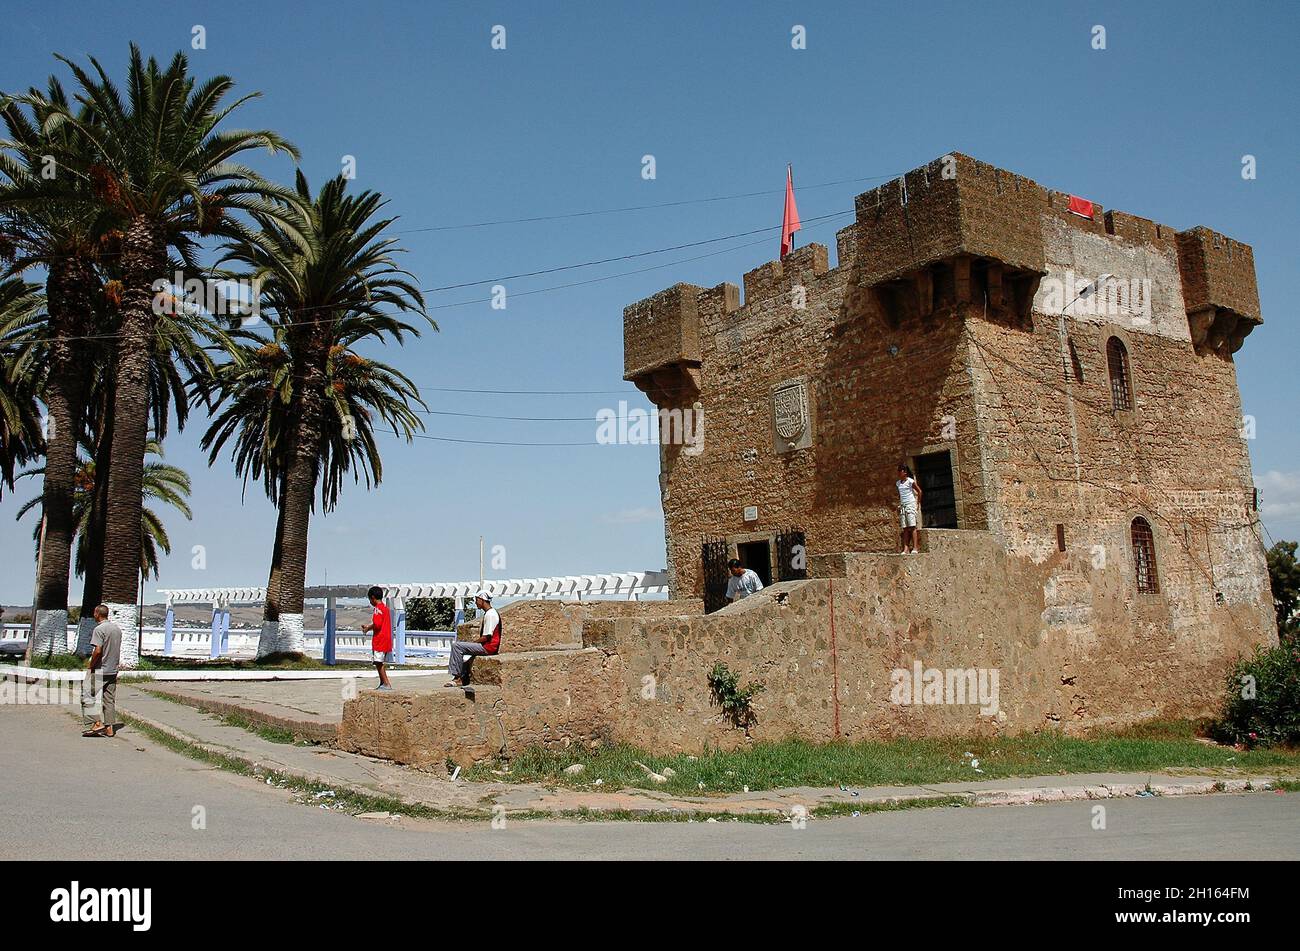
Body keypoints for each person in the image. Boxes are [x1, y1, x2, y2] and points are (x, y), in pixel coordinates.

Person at [81, 605, 122, 738]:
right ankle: (109, 728)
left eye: (94, 612)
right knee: (109, 699)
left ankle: (96, 722)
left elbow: (98, 650)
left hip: (100, 669)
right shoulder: (116, 629)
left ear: (97, 613)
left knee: (87, 695)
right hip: (113, 669)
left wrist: (91, 665)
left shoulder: (99, 629)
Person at [447, 593, 500, 688]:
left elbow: (487, 636)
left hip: (488, 647)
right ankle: (461, 676)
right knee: (463, 652)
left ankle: (457, 677)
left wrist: (473, 644)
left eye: (477, 600)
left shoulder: (491, 614)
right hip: (488, 646)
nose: (476, 603)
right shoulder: (490, 613)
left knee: (457, 646)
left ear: (482, 600)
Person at [360, 586, 393, 690]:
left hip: (380, 639)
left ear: (373, 598)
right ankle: (382, 683)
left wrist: (367, 628)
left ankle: (386, 683)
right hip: (386, 639)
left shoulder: (377, 609)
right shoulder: (385, 609)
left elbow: (377, 625)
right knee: (379, 661)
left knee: (378, 662)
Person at [896, 462, 923, 554]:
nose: (899, 473)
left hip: (910, 505)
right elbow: (900, 495)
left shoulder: (910, 481)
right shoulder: (898, 484)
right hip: (903, 506)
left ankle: (915, 547)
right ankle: (906, 548)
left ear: (905, 472)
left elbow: (919, 491)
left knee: (912, 526)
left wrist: (917, 503)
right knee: (905, 528)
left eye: (901, 471)